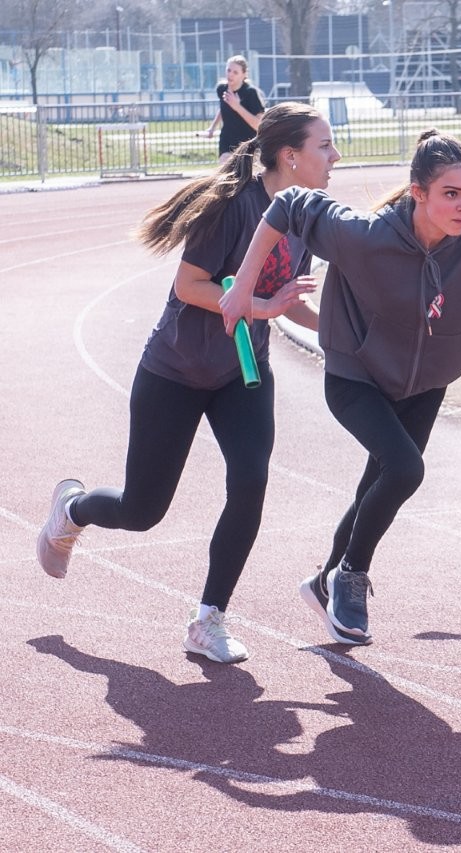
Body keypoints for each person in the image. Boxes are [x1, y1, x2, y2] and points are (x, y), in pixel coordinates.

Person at [220, 129, 461, 645]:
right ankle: (351, 575)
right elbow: (288, 205)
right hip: (355, 376)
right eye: (451, 194)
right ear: (418, 194)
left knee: (375, 487)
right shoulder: (365, 235)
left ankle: (324, 582)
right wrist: (243, 289)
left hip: (426, 384)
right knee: (405, 469)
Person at [35, 103, 341, 663]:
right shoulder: (231, 208)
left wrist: (344, 333)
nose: (336, 156)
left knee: (250, 482)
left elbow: (289, 301)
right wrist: (265, 304)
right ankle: (74, 510)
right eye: (325, 146)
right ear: (290, 156)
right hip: (176, 371)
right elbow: (190, 285)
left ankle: (207, 621)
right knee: (142, 510)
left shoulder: (306, 215)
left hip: (243, 374)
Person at [201, 55, 266, 164]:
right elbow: (223, 108)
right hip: (227, 140)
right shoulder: (222, 89)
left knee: (246, 178)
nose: (230, 74)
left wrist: (237, 106)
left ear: (244, 75)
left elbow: (258, 124)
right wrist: (212, 128)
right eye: (229, 70)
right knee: (226, 173)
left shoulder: (250, 93)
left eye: (235, 72)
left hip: (248, 144)